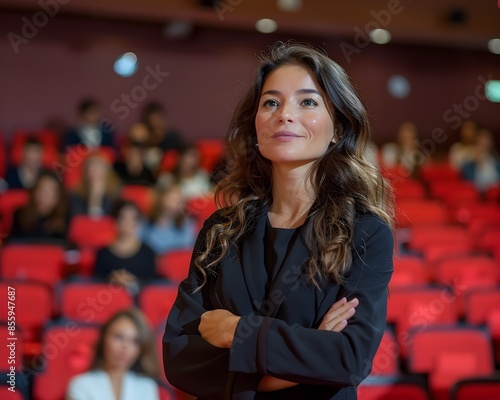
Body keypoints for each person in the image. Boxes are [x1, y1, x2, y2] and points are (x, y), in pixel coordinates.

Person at [162, 43, 394, 400]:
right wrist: (300, 359)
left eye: (308, 102)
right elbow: (180, 356)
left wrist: (236, 331)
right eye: (271, 102)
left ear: (338, 129)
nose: (284, 114)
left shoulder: (366, 232)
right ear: (255, 128)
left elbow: (349, 358)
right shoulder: (221, 230)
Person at [66, 308, 160, 400]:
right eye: (118, 337)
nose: (125, 346)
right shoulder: (81, 385)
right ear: (104, 339)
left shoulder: (147, 386)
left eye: (134, 341)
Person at [94, 200, 157, 295]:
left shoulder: (148, 253)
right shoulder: (103, 253)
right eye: (123, 217)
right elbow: (95, 286)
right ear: (115, 220)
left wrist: (134, 284)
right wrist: (111, 280)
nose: (127, 222)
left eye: (132, 218)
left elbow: (152, 287)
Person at [10, 170, 69, 242]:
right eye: (42, 190)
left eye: (50, 192)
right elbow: (13, 247)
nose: (45, 196)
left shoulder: (65, 218)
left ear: (58, 197)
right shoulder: (19, 215)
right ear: (34, 192)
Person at [141, 184, 197, 254]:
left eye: (179, 201)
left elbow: (189, 251)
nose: (175, 205)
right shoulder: (146, 223)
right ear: (160, 200)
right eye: (171, 200)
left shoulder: (188, 224)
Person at [69, 153, 121, 218]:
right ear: (85, 173)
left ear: (107, 171)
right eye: (91, 166)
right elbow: (81, 220)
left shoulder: (115, 196)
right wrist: (94, 197)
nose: (95, 170)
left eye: (98, 166)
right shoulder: (76, 196)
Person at [461, 128, 500, 192]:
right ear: (475, 145)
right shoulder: (467, 166)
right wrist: (480, 165)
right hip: (475, 198)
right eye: (481, 144)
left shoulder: (498, 163)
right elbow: (468, 186)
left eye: (486, 145)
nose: (483, 148)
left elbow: (496, 183)